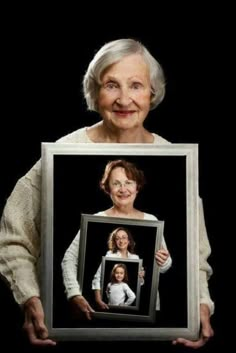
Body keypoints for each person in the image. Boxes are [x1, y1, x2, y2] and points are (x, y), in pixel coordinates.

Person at [0, 38, 214, 348]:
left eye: (136, 85)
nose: (124, 99)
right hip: (76, 339)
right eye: (111, 85)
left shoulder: (176, 158)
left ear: (152, 92)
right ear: (94, 92)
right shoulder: (62, 153)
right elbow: (14, 236)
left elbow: (197, 256)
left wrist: (201, 307)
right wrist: (30, 300)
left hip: (154, 339)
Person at [62, 159, 172, 311]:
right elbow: (69, 259)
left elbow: (164, 266)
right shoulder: (95, 220)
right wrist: (74, 293)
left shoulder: (151, 221)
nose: (123, 189)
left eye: (129, 182)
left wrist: (164, 262)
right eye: (116, 183)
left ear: (137, 187)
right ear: (107, 188)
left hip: (148, 312)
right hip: (104, 315)